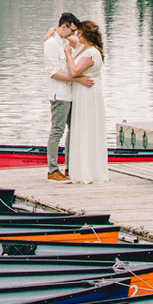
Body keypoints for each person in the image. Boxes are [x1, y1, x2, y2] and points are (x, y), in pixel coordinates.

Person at [64, 20, 108, 183]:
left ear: (85, 34)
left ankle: (87, 170)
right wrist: (54, 30)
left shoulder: (91, 53)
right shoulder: (85, 48)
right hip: (83, 92)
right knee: (81, 127)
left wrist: (69, 55)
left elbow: (75, 71)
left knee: (86, 127)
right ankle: (81, 167)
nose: (76, 35)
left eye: (79, 33)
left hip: (87, 94)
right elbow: (70, 38)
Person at [44, 12, 81, 179]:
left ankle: (70, 166)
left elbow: (81, 43)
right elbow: (53, 72)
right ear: (64, 27)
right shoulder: (51, 44)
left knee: (73, 130)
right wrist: (77, 79)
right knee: (57, 130)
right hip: (59, 94)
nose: (73, 34)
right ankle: (53, 169)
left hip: (70, 93)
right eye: (71, 31)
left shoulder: (65, 41)